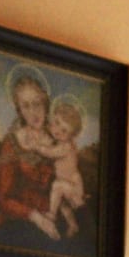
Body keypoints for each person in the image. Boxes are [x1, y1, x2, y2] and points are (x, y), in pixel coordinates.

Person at [0, 66, 57, 236]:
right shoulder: (12, 143)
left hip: (52, 217)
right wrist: (36, 217)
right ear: (19, 111)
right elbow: (3, 198)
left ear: (45, 103)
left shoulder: (58, 140)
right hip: (19, 220)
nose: (33, 112)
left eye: (37, 104)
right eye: (26, 106)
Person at [35, 96, 87, 240]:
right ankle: (73, 225)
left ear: (71, 136)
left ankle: (51, 215)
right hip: (68, 185)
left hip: (73, 187)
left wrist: (37, 146)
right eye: (57, 122)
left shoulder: (66, 146)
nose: (57, 130)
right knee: (63, 206)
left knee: (57, 186)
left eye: (64, 131)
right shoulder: (60, 141)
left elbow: (50, 153)